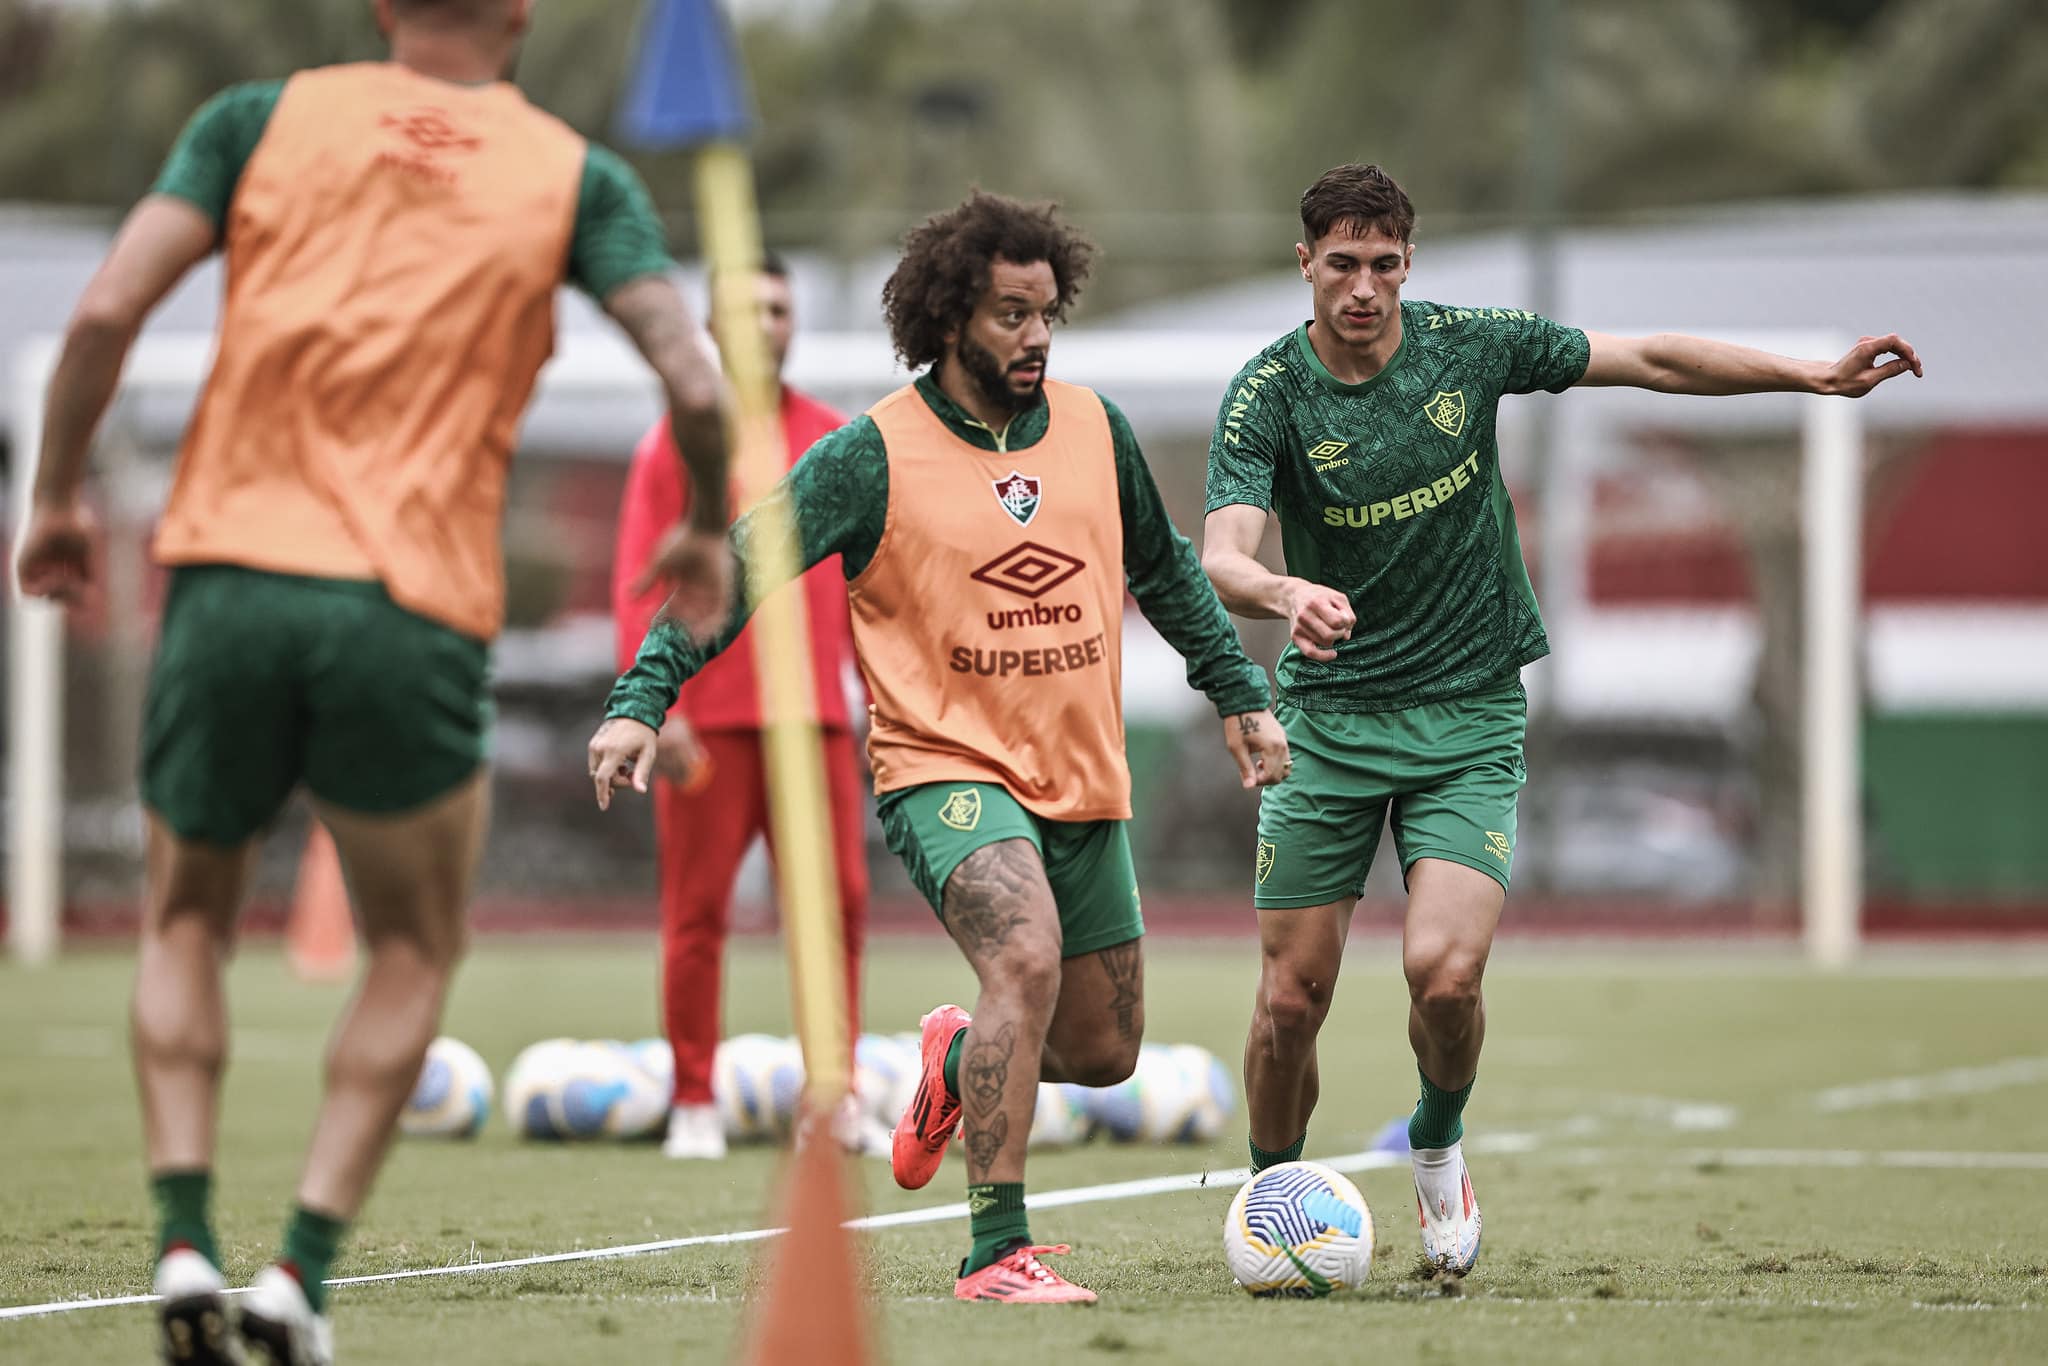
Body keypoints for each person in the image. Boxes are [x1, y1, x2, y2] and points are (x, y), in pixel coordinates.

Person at [12, 2, 733, 1361]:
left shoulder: (255, 121)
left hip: (226, 572)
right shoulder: (574, 176)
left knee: (183, 917)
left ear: (381, 6)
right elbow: (693, 377)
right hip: (410, 605)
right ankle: (298, 1270)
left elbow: (106, 307)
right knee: (409, 944)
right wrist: (700, 521)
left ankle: (179, 1235)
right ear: (518, 14)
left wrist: (54, 500)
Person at [1201, 162, 1923, 1277]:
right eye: (1338, 264)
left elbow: (1647, 358)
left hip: (1470, 714)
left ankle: (1437, 1149)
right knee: (1287, 1001)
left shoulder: (1468, 345)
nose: (1361, 287)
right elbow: (1221, 556)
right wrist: (1285, 592)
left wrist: (1808, 379)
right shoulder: (1267, 393)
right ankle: (1272, 1192)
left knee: (1444, 976)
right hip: (1330, 723)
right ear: (1305, 264)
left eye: (1382, 264)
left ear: (1408, 263)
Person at [589, 190, 1291, 1304]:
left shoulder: (1094, 428)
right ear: (950, 315)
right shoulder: (867, 454)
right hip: (941, 770)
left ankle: (958, 1058)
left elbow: (1164, 573)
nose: (1036, 336)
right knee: (1022, 955)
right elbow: (732, 573)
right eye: (1011, 315)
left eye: (1046, 313)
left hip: (1082, 779)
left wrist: (1238, 696)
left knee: (1104, 1053)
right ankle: (993, 1251)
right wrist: (642, 697)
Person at [610, 254, 871, 1161]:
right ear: (713, 328)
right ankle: (691, 1099)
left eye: (779, 307)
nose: (765, 323)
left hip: (817, 725)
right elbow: (637, 579)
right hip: (712, 722)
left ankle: (832, 1100)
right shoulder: (675, 445)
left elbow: (869, 584)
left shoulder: (836, 440)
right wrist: (656, 706)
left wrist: (878, 704)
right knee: (698, 912)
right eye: (746, 309)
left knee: (834, 907)